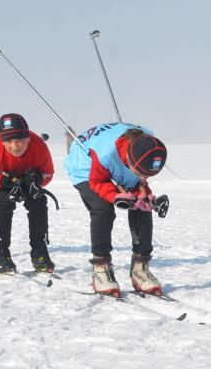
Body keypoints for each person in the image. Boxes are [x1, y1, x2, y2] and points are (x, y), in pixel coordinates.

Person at [64, 122, 168, 296]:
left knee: (142, 207)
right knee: (103, 208)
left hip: (120, 160)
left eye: (148, 175)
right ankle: (101, 266)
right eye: (141, 172)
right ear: (129, 158)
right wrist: (115, 196)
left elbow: (140, 180)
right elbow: (97, 182)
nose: (144, 178)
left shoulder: (148, 146)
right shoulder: (105, 154)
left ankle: (140, 267)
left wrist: (144, 195)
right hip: (85, 166)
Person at [0, 113, 56, 274]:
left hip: (27, 176)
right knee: (3, 204)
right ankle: (1, 254)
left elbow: (48, 173)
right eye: (9, 141)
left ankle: (39, 253)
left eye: (19, 140)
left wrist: (36, 180)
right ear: (2, 141)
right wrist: (2, 182)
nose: (15, 146)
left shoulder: (39, 146)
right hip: (0, 177)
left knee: (38, 202)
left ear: (28, 138)